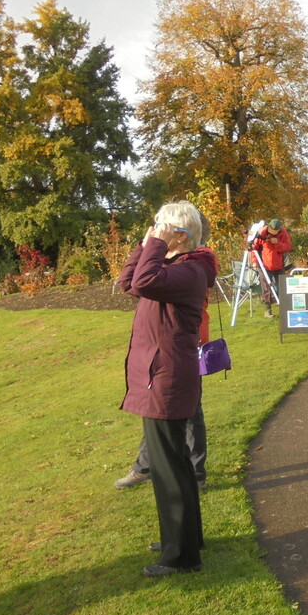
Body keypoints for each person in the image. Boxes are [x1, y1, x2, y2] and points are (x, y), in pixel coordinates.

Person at [118, 201, 216, 576]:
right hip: (162, 375)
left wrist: (156, 246)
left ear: (181, 235)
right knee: (175, 464)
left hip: (166, 378)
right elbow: (129, 283)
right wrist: (146, 246)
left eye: (162, 226)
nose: (155, 230)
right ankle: (185, 539)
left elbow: (144, 282)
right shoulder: (176, 268)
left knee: (169, 468)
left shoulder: (189, 270)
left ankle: (180, 557)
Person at [250, 218, 292, 318]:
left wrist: (277, 243)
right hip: (264, 265)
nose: (271, 234)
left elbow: (288, 247)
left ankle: (284, 309)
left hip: (279, 265)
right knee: (266, 288)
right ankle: (267, 310)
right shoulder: (262, 231)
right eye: (270, 231)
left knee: (282, 287)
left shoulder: (283, 233)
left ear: (279, 230)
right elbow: (254, 248)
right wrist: (254, 262)